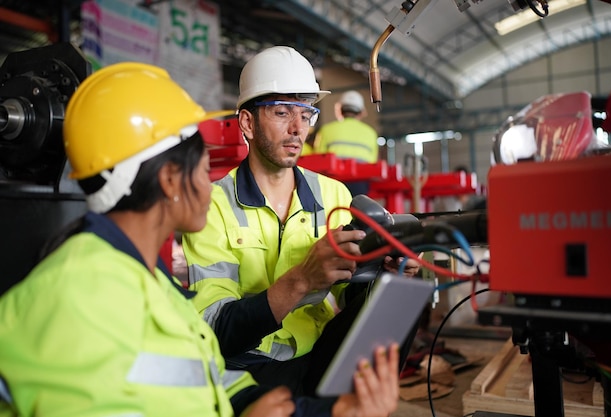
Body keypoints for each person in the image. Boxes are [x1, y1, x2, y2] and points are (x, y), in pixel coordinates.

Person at [0, 62, 400, 417]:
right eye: (204, 168)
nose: (212, 187)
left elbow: (206, 375)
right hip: (258, 362)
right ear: (170, 179)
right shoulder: (79, 296)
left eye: (305, 115)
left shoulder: (153, 285)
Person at [183, 45, 420, 398]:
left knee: (402, 299)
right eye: (281, 113)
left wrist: (386, 273)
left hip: (321, 353)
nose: (298, 129)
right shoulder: (212, 204)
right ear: (247, 123)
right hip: (247, 365)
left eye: (306, 114)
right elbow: (217, 329)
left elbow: (351, 294)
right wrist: (302, 279)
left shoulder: (334, 194)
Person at [314, 90, 379, 196]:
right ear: (361, 112)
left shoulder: (326, 130)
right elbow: (373, 162)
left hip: (332, 183)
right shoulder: (370, 133)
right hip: (360, 184)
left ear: (339, 110)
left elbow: (318, 158)